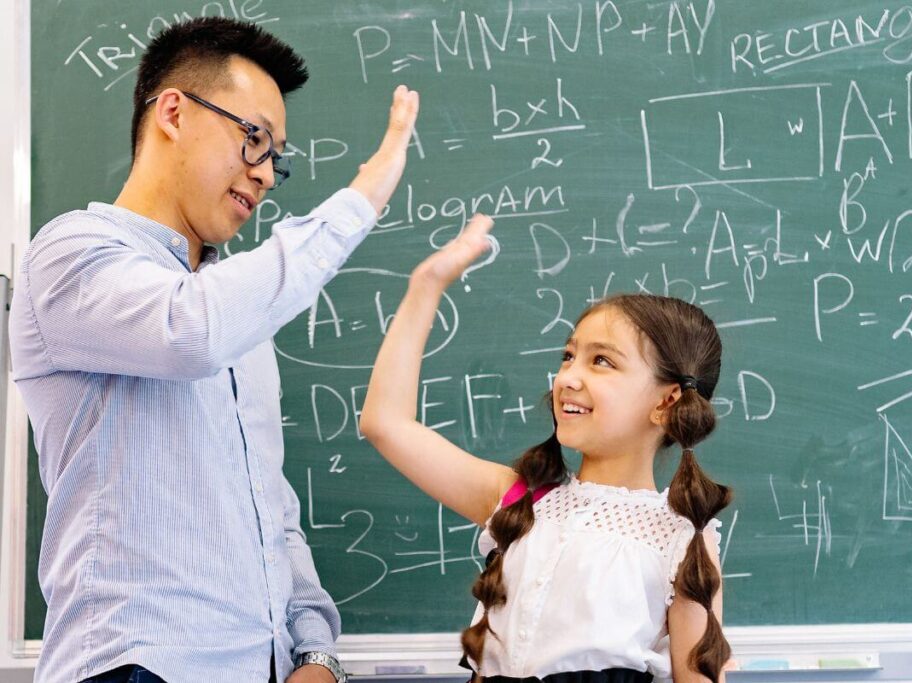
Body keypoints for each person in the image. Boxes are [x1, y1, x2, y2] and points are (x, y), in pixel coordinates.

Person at [9, 17, 419, 683]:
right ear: (173, 110)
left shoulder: (237, 315)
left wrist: (314, 649)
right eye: (253, 139)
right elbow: (190, 332)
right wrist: (361, 199)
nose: (263, 175)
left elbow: (270, 505)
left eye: (275, 158)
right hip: (139, 664)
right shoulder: (72, 254)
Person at [360, 217, 733, 683]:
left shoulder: (680, 538)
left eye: (602, 361)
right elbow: (385, 423)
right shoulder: (520, 498)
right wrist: (426, 285)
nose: (568, 378)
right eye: (568, 356)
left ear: (666, 401)